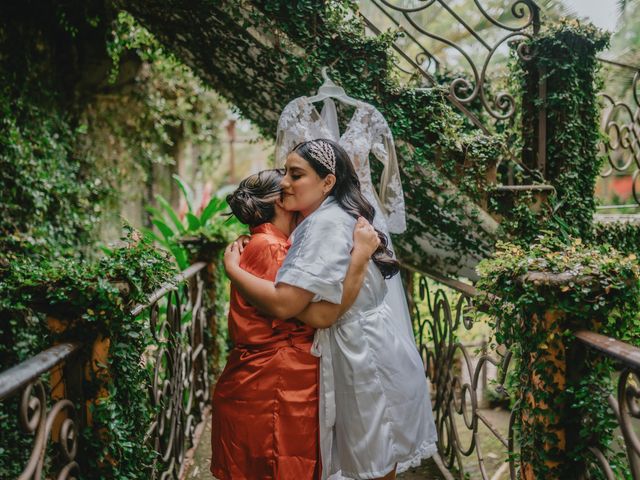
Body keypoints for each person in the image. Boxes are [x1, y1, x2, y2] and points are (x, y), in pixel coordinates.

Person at [224, 140, 438, 480]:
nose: (284, 183)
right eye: (286, 174)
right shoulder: (330, 217)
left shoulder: (323, 223)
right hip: (368, 344)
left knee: (373, 461)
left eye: (296, 175)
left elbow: (301, 309)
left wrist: (233, 270)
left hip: (361, 352)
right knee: (376, 459)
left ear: (328, 182)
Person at [211, 168, 381, 480]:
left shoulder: (269, 242)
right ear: (278, 201)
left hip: (274, 379)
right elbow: (321, 314)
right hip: (275, 384)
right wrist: (360, 258)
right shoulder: (271, 248)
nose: (293, 187)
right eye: (287, 185)